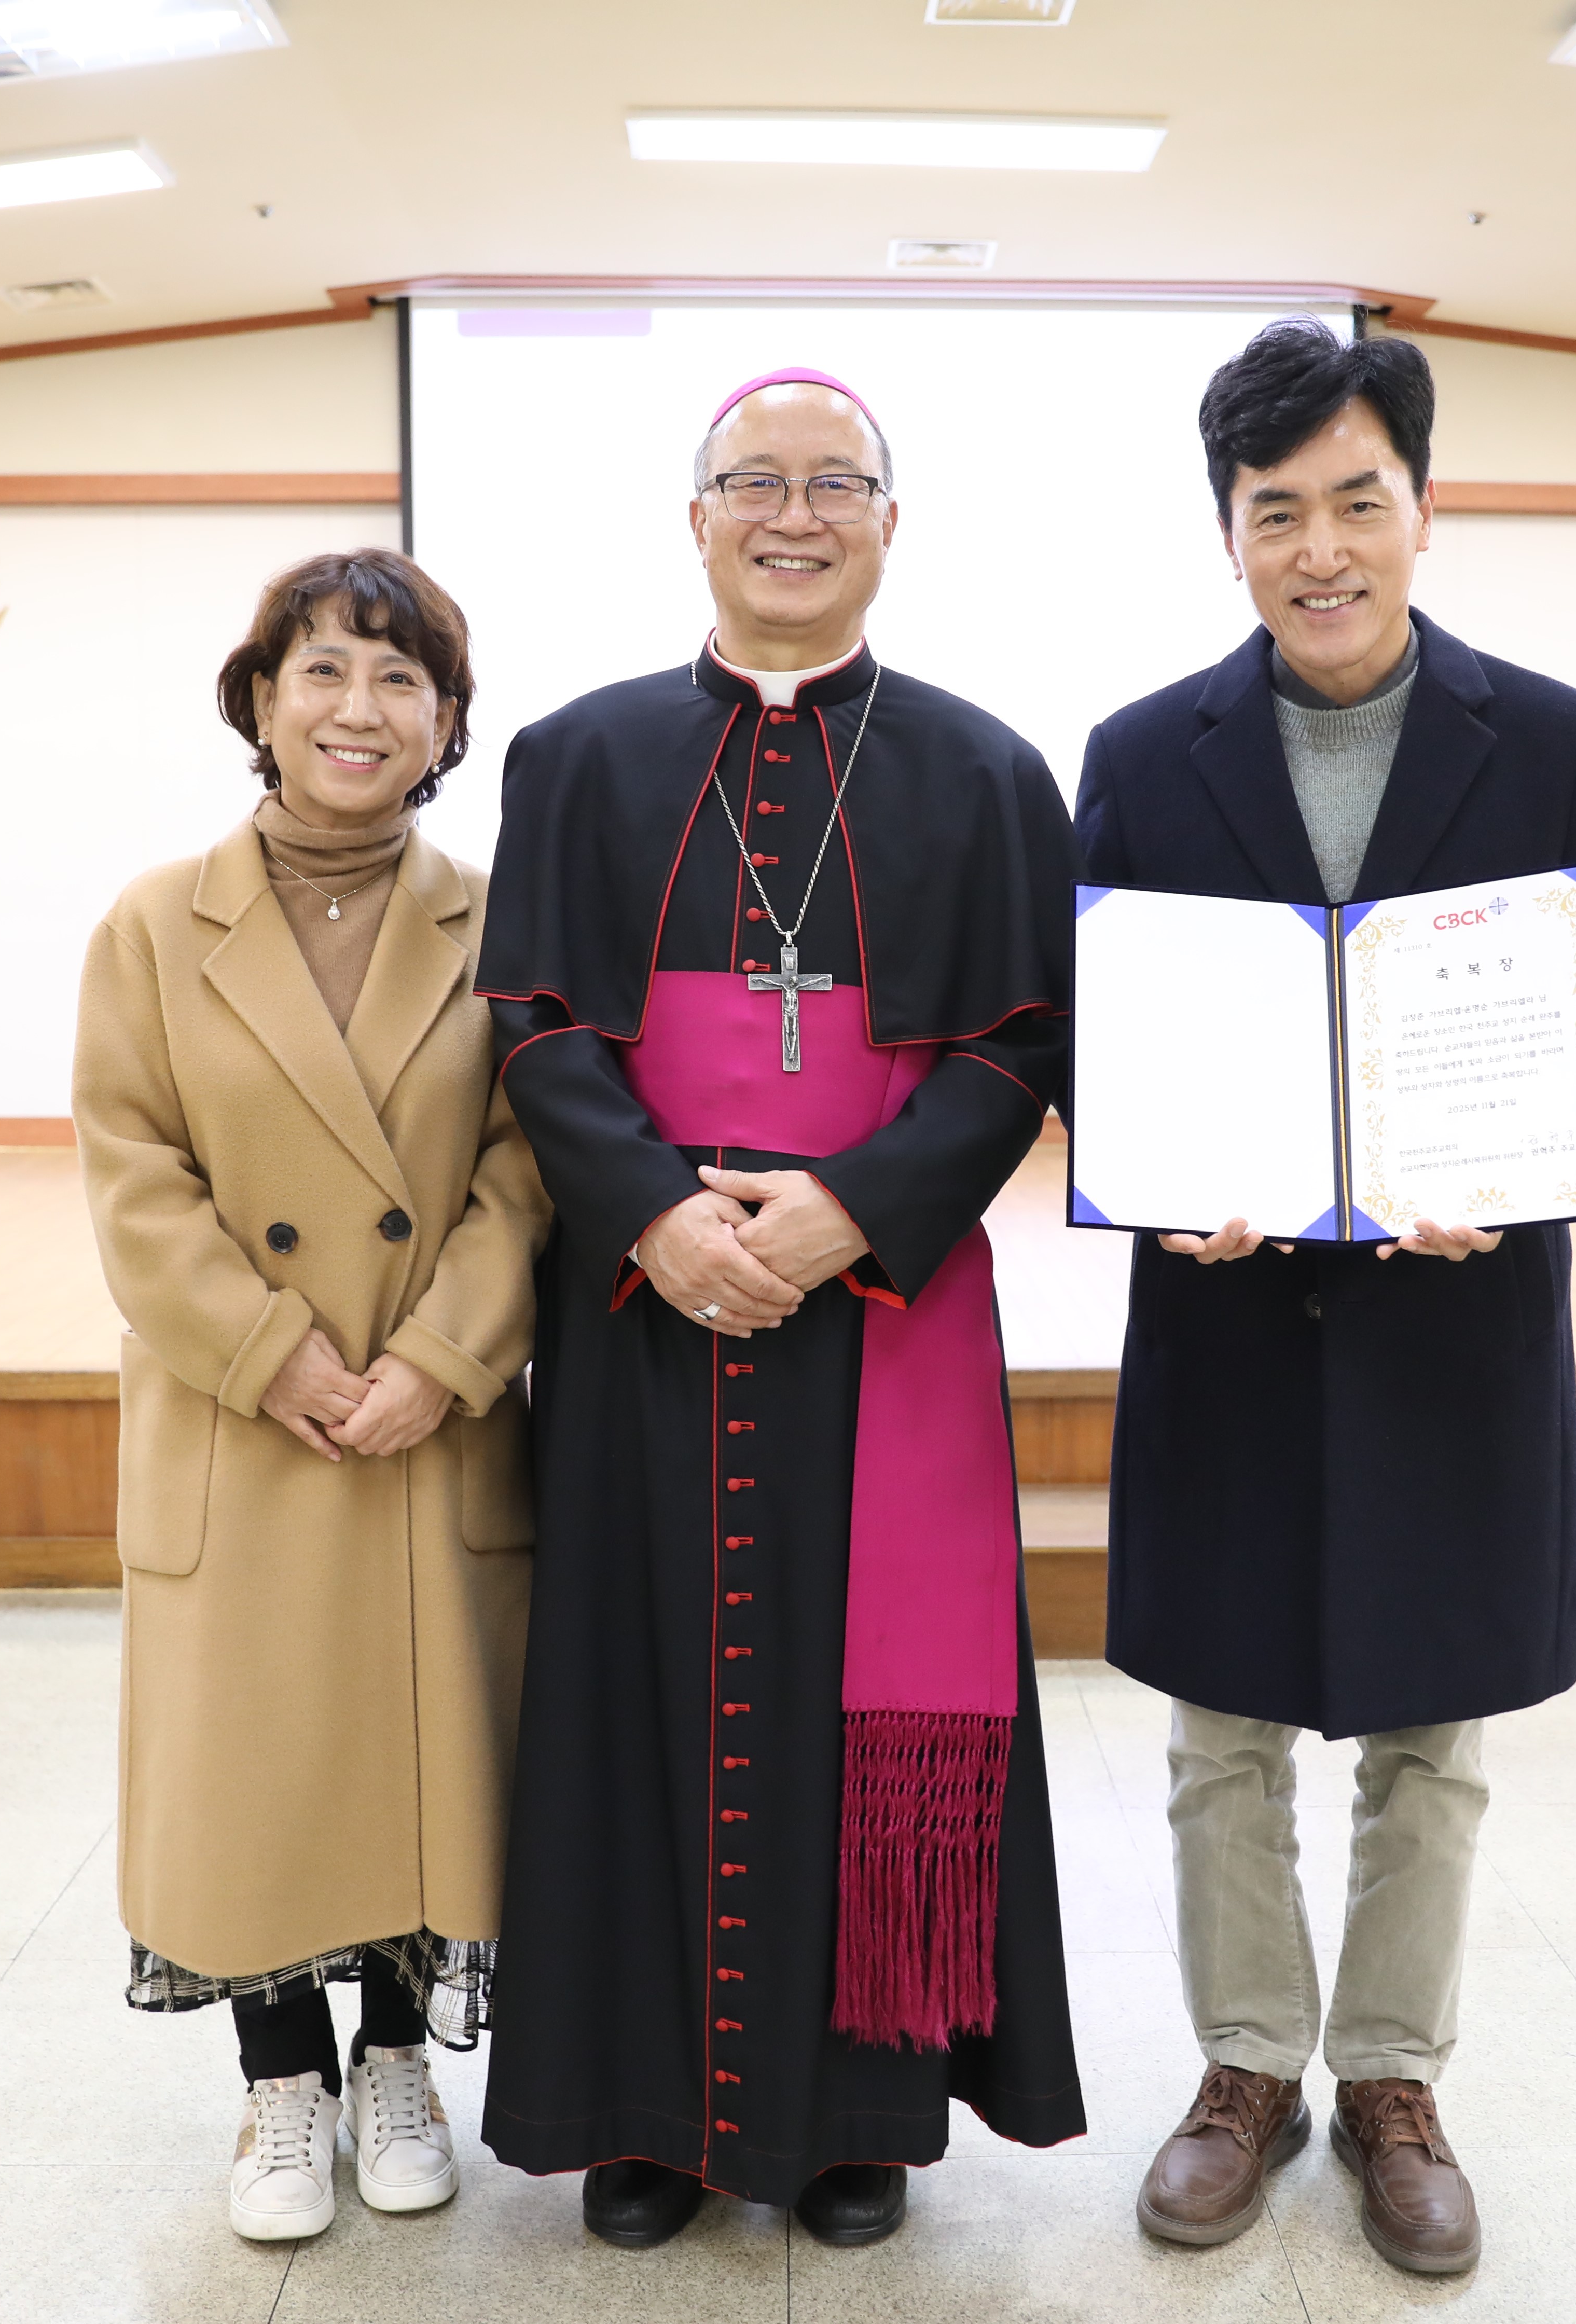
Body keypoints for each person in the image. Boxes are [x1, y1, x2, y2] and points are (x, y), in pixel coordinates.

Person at [1073, 323, 1576, 2274]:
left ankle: (1395, 2079)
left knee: (1436, 1731)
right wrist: (1164, 1183)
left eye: (1358, 500)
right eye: (1278, 513)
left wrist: (1505, 1181)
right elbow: (1101, 1031)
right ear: (1228, 534)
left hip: (1454, 1324)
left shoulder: (1558, 735)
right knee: (1219, 1723)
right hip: (1236, 1324)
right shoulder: (1141, 750)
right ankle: (1247, 2068)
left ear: (1424, 507)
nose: (1320, 546)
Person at [474, 368, 1086, 2249]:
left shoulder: (986, 773)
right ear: (697, 518)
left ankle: (857, 2118)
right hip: (649, 1314)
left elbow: (1018, 1041)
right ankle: (639, 2110)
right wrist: (660, 1218)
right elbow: (537, 1024)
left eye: (838, 485)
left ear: (892, 524)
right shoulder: (577, 760)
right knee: (628, 1687)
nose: (795, 514)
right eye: (757, 482)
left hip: (875, 1314)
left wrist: (849, 1212)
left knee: (863, 1699)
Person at [73, 547, 549, 2243]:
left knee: (423, 1752)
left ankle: (401, 2059)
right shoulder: (153, 921)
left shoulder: (502, 914)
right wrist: (277, 1356)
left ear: (445, 727)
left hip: (429, 1416)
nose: (362, 708)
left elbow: (528, 1166)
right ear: (259, 702)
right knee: (259, 1762)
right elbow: (132, 1178)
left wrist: (437, 1361)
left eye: (401, 681)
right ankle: (282, 2086)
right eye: (325, 673)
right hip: (246, 1419)